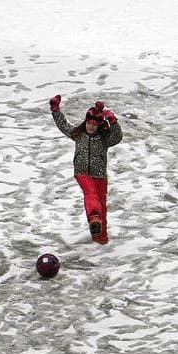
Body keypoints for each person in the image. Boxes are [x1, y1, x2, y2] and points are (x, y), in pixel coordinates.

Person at [49, 96, 123, 244]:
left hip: (99, 175)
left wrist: (113, 121)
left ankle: (100, 236)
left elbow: (117, 136)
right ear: (85, 123)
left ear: (99, 126)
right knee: (90, 194)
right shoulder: (79, 135)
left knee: (101, 203)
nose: (90, 126)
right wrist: (55, 110)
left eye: (94, 124)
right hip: (82, 172)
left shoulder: (104, 139)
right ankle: (94, 218)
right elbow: (63, 125)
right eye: (88, 123)